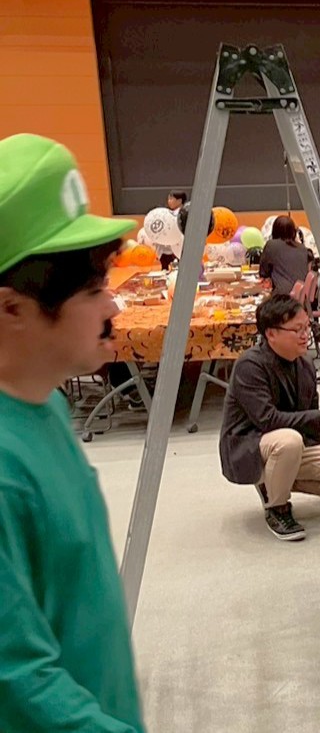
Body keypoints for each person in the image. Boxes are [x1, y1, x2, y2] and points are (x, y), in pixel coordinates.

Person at [0, 133, 145, 730]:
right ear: (12, 309)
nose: (113, 307)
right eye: (92, 291)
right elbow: (17, 680)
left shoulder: (44, 405)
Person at [219, 294, 320, 541]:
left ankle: (275, 481)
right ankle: (277, 507)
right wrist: (319, 417)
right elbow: (267, 420)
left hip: (290, 446)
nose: (305, 335)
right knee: (289, 441)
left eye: (307, 327)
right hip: (250, 445)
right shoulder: (250, 366)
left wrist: (319, 448)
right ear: (271, 334)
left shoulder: (304, 363)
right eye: (297, 330)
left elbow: (310, 415)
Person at [259, 214, 314, 296]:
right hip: (301, 297)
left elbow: (263, 273)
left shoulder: (271, 245)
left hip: (282, 298)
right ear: (293, 231)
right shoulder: (303, 248)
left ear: (274, 230)